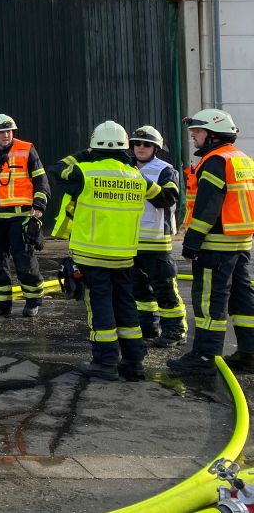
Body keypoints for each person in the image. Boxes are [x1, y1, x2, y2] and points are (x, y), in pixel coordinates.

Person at [50, 121, 175, 381]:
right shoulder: (137, 176)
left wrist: (85, 154)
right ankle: (133, 362)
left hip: (91, 256)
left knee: (101, 309)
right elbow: (163, 198)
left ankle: (105, 363)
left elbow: (57, 168)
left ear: (94, 146)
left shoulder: (84, 172)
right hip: (124, 256)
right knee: (126, 306)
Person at [167, 109, 254, 377]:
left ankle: (204, 357)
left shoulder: (215, 161)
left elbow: (208, 207)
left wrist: (192, 241)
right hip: (240, 242)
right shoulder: (241, 159)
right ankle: (250, 354)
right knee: (242, 299)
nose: (193, 136)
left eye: (198, 131)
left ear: (213, 135)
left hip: (216, 245)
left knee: (208, 302)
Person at [0, 114, 50, 317]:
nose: (6, 135)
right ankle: (0, 304)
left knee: (24, 261)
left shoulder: (26, 149)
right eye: (1, 132)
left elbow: (41, 181)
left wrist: (39, 205)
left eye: (9, 131)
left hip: (19, 217)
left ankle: (33, 301)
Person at [128, 126, 187, 348]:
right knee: (139, 289)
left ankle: (175, 331)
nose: (141, 147)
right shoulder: (124, 168)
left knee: (165, 289)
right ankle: (148, 327)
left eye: (147, 144)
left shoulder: (165, 170)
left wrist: (142, 181)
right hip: (130, 241)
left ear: (156, 148)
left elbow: (168, 198)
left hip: (156, 241)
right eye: (137, 143)